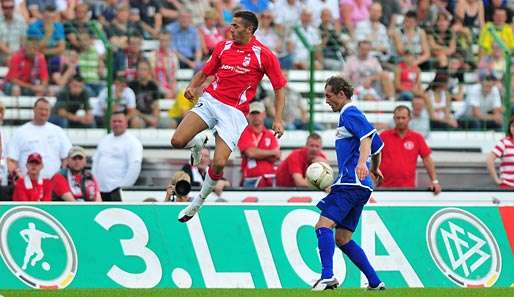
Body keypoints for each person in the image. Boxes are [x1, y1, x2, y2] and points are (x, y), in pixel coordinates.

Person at [171, 10, 286, 222]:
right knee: (177, 141)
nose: (230, 29)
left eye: (235, 26)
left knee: (219, 163)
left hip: (234, 112)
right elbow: (205, 72)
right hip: (211, 101)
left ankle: (197, 202)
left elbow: (279, 88)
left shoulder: (264, 54)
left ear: (249, 29)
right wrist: (192, 87)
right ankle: (198, 142)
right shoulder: (223, 46)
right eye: (231, 25)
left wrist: (278, 119)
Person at [312, 76, 385, 291]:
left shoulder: (349, 112)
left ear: (342, 94)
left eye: (329, 96)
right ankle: (374, 281)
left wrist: (363, 163)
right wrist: (374, 168)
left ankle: (327, 277)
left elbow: (366, 138)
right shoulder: (354, 115)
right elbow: (377, 144)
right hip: (362, 186)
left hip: (351, 183)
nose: (327, 100)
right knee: (343, 238)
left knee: (322, 226)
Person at [379, 105, 442, 194]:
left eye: (403, 118)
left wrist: (435, 182)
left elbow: (427, 160)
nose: (400, 120)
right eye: (398, 118)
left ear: (409, 118)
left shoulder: (417, 138)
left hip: (408, 190)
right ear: (394, 119)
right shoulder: (383, 136)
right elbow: (373, 159)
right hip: (383, 189)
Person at [7, 98, 72, 179]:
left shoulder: (58, 131)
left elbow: (67, 158)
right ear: (34, 110)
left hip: (54, 185)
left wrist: (61, 178)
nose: (43, 112)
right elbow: (11, 161)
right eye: (41, 109)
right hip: (28, 185)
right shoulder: (20, 132)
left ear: (50, 112)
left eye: (46, 110)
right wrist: (20, 180)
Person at [92, 111, 143, 201]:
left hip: (118, 191)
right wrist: (94, 184)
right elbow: (96, 162)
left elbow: (135, 167)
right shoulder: (105, 139)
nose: (117, 124)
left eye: (120, 121)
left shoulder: (133, 142)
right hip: (100, 190)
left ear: (126, 123)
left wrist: (123, 188)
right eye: (114, 121)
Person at [238, 101, 280, 187]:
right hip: (251, 179)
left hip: (269, 178)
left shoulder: (270, 135)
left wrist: (257, 153)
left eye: (258, 113)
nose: (256, 116)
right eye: (253, 114)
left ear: (264, 114)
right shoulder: (244, 133)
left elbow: (276, 157)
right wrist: (271, 152)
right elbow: (250, 153)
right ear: (248, 115)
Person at [486, 117, 514, 188]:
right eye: (513, 125)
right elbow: (489, 160)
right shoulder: (504, 142)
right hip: (507, 186)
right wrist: (496, 179)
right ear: (510, 128)